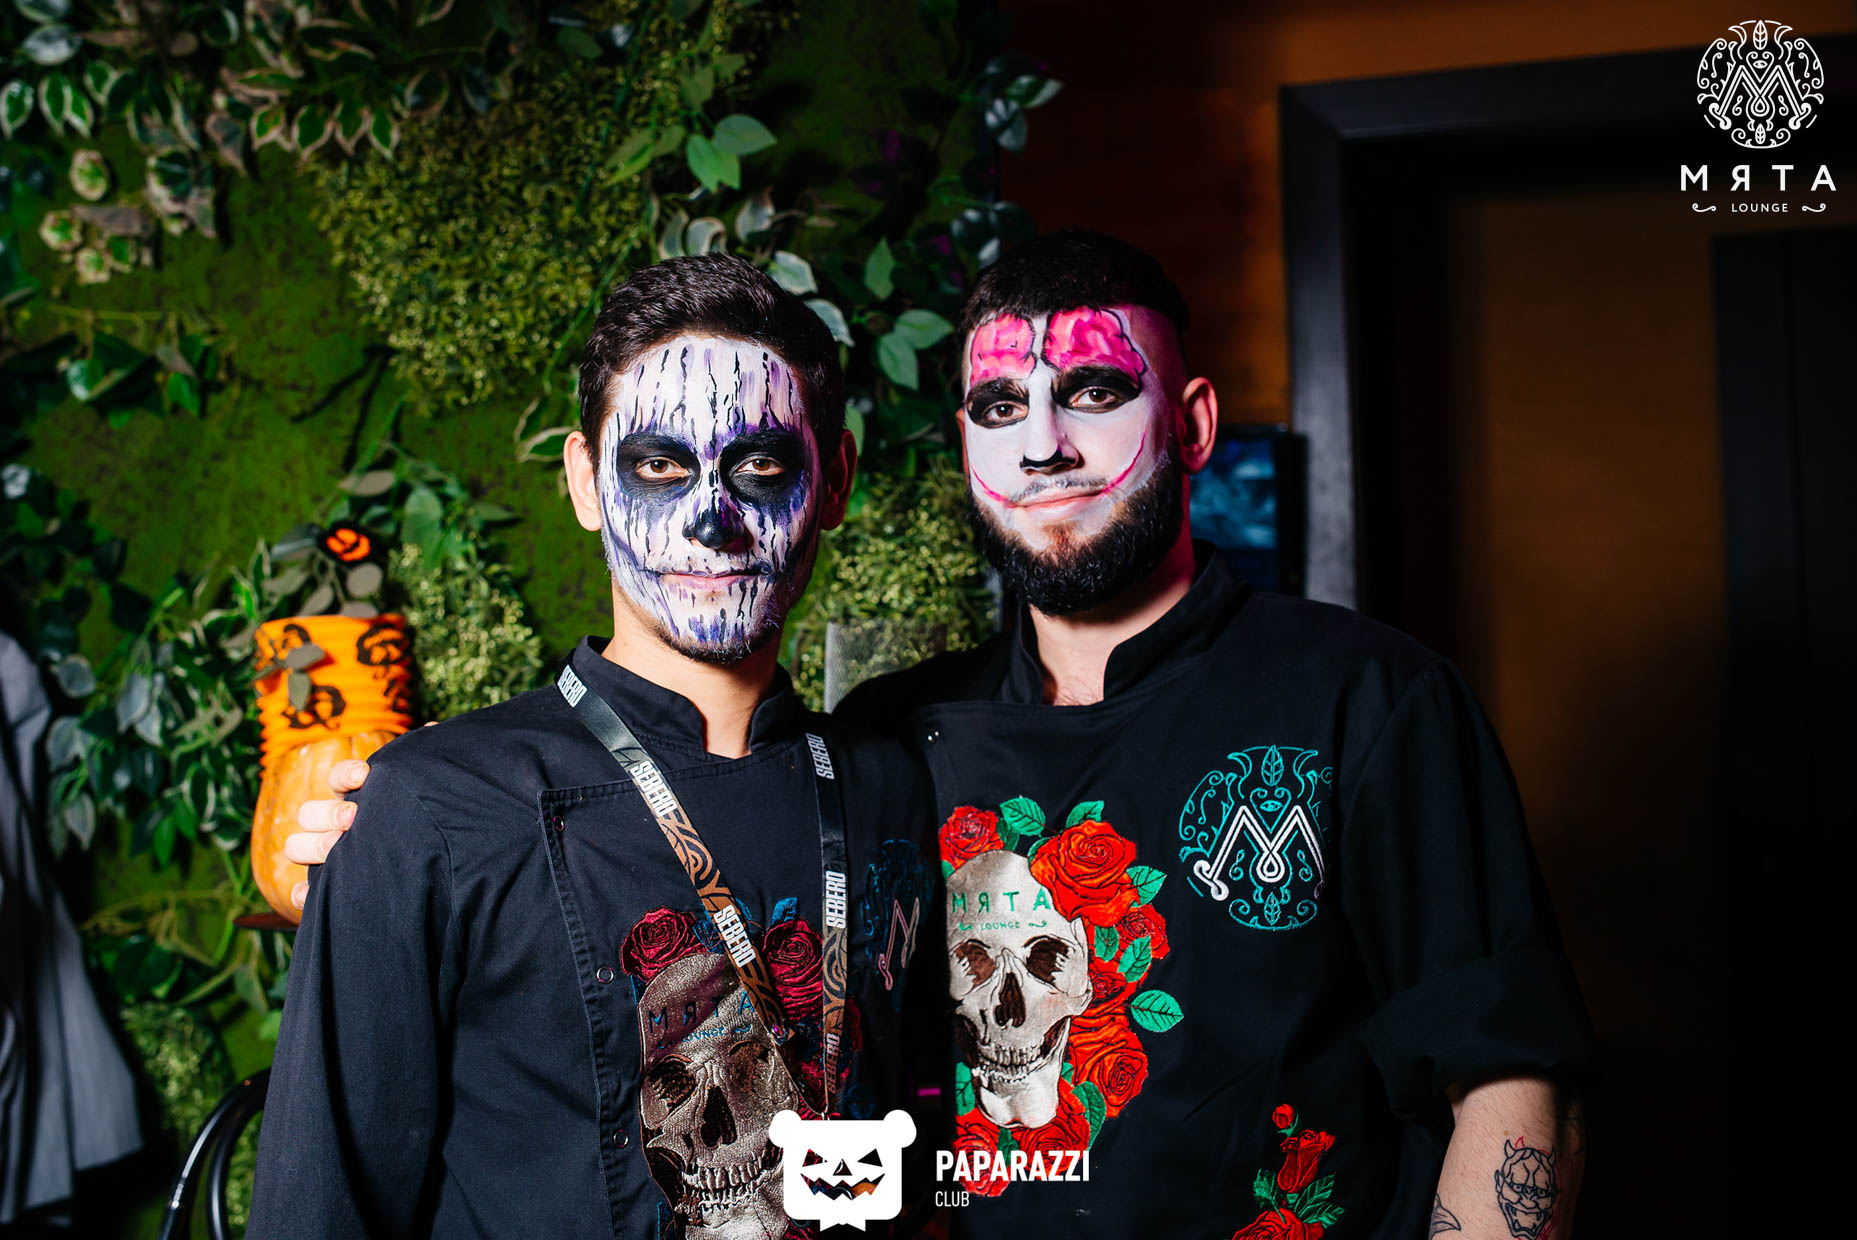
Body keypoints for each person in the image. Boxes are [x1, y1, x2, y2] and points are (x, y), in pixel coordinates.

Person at [292, 232, 1598, 1239]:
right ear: (585, 481)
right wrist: (381, 848)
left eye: (1096, 391)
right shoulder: (896, 739)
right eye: (1000, 407)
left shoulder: (1366, 698)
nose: (1046, 446)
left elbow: (1511, 1075)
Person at [250, 253, 941, 1240]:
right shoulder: (430, 806)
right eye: (659, 466)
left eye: (762, 467)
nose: (711, 519)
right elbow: (319, 1213)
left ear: (833, 482)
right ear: (583, 480)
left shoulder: (889, 783)